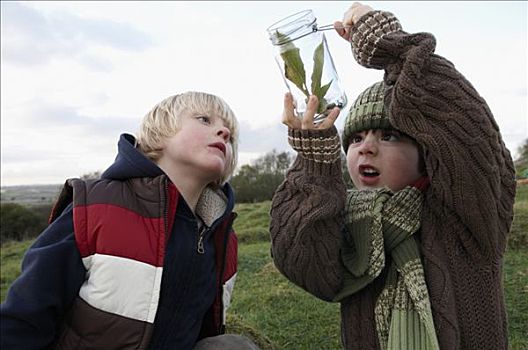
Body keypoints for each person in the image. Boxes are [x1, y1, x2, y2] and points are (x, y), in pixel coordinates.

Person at [270, 2, 516, 349]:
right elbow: (302, 260)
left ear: (428, 149)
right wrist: (313, 162)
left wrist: (392, 46)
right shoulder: (346, 227)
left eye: (389, 136)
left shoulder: (467, 215)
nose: (366, 148)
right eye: (355, 139)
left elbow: (468, 135)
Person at [1, 92, 258, 349]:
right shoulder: (97, 205)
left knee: (233, 345)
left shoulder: (222, 235)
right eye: (204, 119)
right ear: (160, 133)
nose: (224, 131)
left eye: (231, 135)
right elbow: (27, 314)